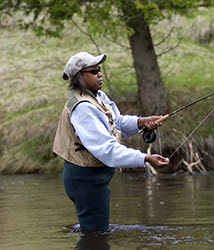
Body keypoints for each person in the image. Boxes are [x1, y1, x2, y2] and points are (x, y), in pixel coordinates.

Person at [53, 52, 169, 233]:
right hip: (85, 180)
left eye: (99, 69)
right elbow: (108, 150)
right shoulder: (83, 109)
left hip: (94, 177)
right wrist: (145, 158)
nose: (99, 74)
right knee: (95, 236)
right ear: (79, 77)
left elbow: (117, 122)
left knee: (96, 235)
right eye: (93, 71)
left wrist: (142, 122)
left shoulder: (98, 96)